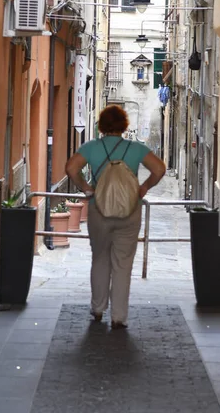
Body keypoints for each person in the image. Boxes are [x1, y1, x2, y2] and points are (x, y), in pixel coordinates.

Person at [66, 105, 166, 329]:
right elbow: (159, 168)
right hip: (129, 210)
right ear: (124, 125)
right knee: (123, 263)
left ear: (101, 125)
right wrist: (144, 187)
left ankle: (98, 308)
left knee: (100, 258)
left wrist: (86, 188)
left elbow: (71, 167)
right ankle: (119, 316)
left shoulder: (91, 147)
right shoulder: (136, 148)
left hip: (99, 209)